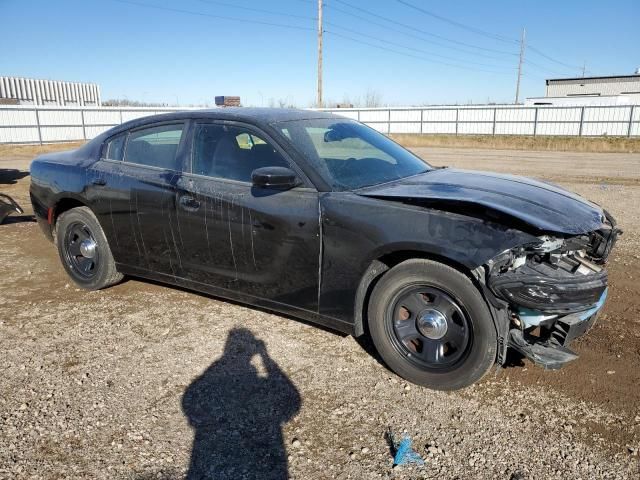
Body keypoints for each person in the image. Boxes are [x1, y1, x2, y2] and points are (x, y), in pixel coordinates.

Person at [182, 328, 301, 479]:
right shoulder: (218, 373)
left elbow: (189, 399)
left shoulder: (214, 372)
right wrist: (266, 358)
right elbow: (293, 401)